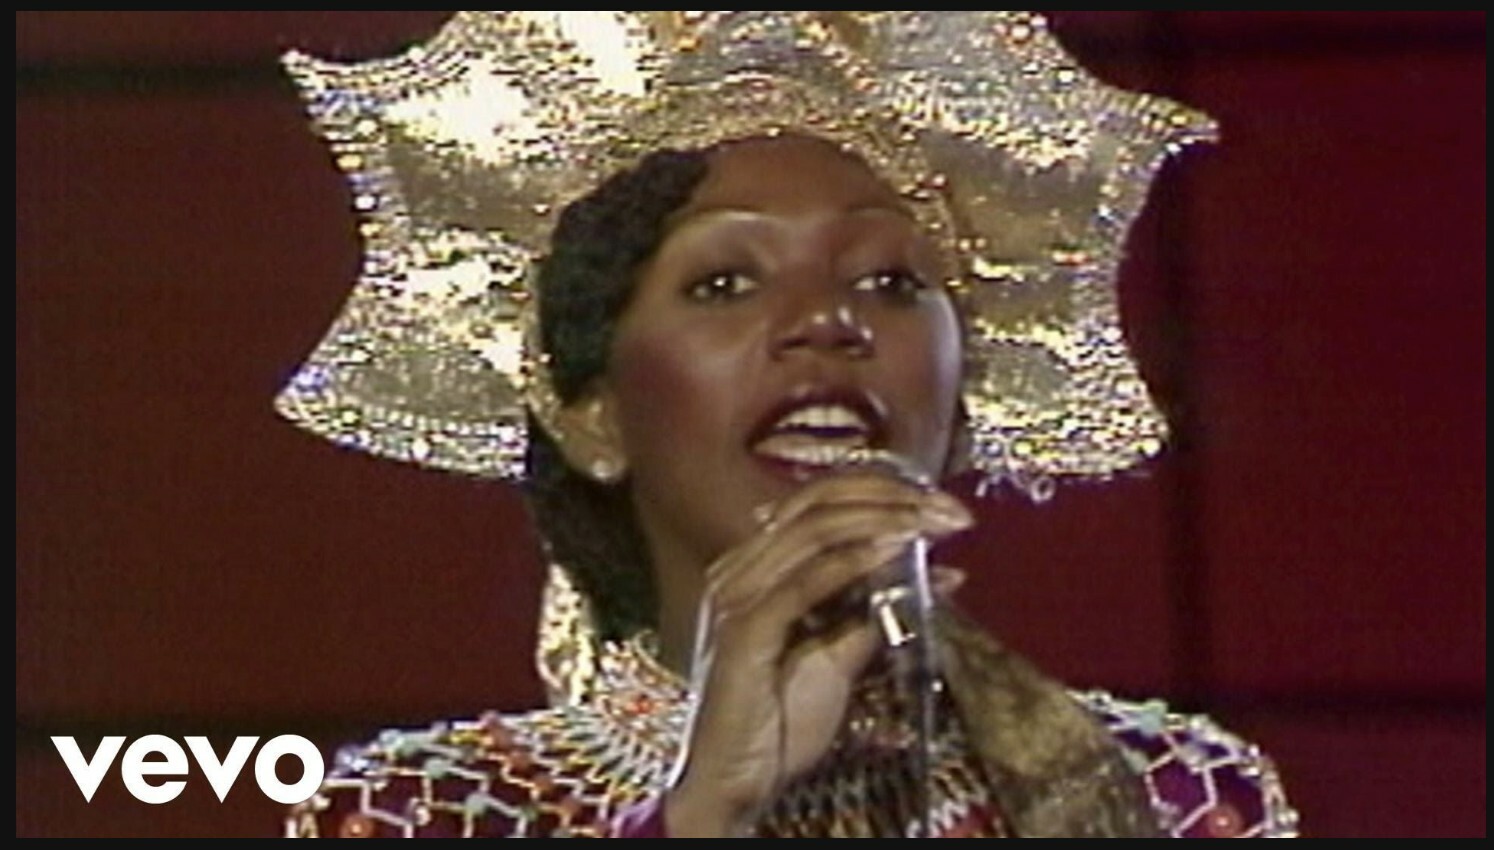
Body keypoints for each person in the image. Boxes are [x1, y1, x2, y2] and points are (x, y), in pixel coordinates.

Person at [275, 12, 1299, 838]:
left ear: (961, 405)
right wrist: (703, 810)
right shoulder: (431, 811)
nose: (827, 322)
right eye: (724, 281)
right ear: (590, 414)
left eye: (889, 281)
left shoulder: (1169, 797)